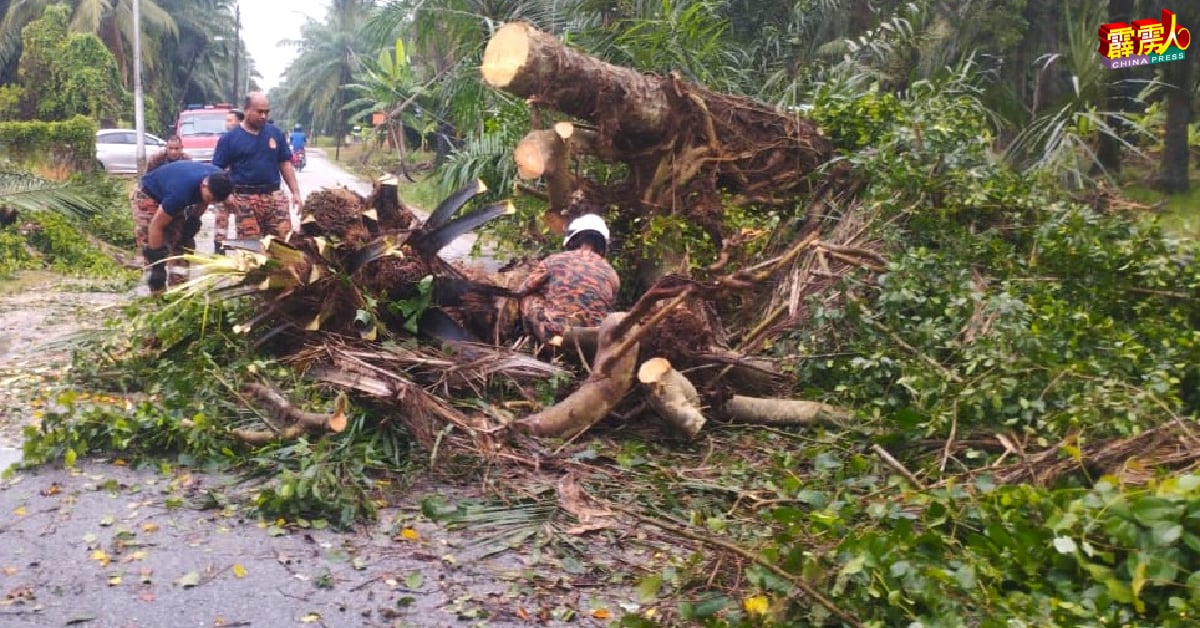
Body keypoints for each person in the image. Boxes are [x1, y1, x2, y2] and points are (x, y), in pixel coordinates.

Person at [212, 92, 301, 249]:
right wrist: (226, 195)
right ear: (246, 110)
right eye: (259, 111)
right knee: (252, 248)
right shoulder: (229, 139)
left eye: (266, 112)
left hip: (274, 196)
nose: (263, 116)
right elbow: (217, 170)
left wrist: (295, 192)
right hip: (244, 198)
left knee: (283, 244)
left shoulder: (275, 133)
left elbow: (285, 163)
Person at [518, 214, 620, 345]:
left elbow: (523, 289)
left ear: (572, 239)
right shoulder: (611, 273)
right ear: (602, 244)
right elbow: (609, 307)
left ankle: (530, 342)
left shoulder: (554, 260)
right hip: (593, 343)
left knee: (529, 297)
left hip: (554, 338)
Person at [133, 161, 233, 294]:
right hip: (149, 195)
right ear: (204, 185)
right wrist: (158, 266)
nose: (212, 203)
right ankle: (156, 293)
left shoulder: (219, 179)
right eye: (211, 198)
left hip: (174, 194)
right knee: (152, 247)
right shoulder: (180, 194)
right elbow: (156, 226)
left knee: (184, 243)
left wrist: (193, 220)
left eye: (216, 201)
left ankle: (178, 291)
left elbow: (207, 200)